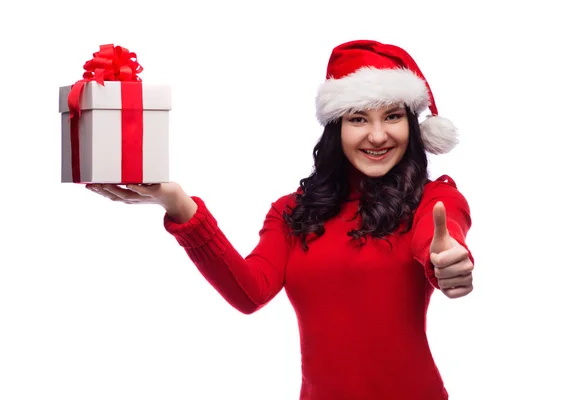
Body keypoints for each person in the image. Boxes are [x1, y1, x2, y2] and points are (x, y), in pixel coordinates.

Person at [87, 39, 475, 400]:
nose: (377, 136)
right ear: (336, 128)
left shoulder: (433, 199)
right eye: (358, 119)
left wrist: (446, 259)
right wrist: (177, 203)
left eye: (392, 116)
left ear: (412, 124)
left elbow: (441, 235)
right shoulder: (293, 212)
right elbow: (248, 293)